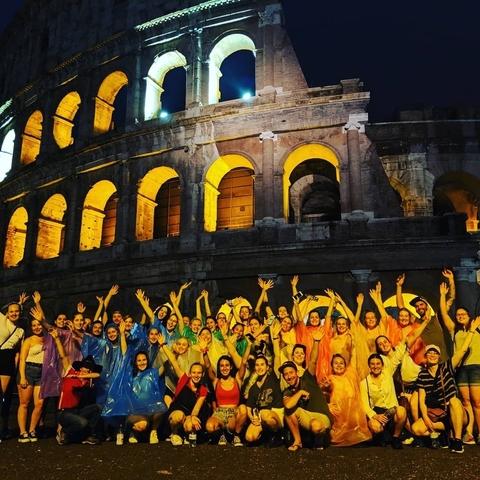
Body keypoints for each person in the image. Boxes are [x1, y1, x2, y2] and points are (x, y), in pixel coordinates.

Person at [411, 315, 480, 454]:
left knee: (454, 401)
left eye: (435, 353)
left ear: (439, 356)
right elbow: (421, 399)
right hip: (436, 414)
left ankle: (457, 441)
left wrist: (472, 330)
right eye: (429, 352)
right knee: (416, 429)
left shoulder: (447, 366)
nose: (432, 354)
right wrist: (424, 417)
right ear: (426, 356)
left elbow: (462, 351)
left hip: (454, 411)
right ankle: (443, 433)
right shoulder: (422, 375)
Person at [439, 281, 480, 445]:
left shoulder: (477, 327)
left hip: (477, 366)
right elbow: (443, 314)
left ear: (469, 316)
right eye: (458, 315)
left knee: (477, 402)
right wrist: (442, 296)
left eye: (463, 314)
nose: (460, 316)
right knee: (466, 402)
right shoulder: (454, 329)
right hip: (461, 368)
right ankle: (468, 432)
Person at [281, 327, 333, 451]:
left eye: (291, 372)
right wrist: (300, 392)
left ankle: (320, 438)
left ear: (297, 372)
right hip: (306, 417)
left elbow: (313, 361)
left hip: (321, 417)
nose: (289, 376)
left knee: (316, 426)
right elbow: (288, 406)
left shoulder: (307, 378)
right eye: (286, 374)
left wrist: (316, 342)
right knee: (289, 411)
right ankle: (298, 441)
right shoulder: (288, 390)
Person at [49, 329, 103, 445]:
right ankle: (64, 432)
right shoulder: (70, 372)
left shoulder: (88, 381)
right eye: (85, 367)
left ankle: (90, 435)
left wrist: (83, 377)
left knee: (98, 407)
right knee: (82, 422)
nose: (86, 370)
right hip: (64, 412)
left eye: (89, 368)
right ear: (80, 367)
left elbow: (97, 374)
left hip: (77, 410)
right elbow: (63, 356)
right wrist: (57, 338)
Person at [204, 330, 251, 446]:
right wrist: (204, 352)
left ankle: (236, 435)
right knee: (210, 427)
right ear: (219, 368)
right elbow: (208, 366)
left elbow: (243, 363)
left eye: (226, 365)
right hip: (219, 413)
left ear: (230, 367)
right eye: (221, 366)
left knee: (243, 409)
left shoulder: (237, 379)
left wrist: (249, 345)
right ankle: (222, 434)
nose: (224, 368)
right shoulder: (216, 381)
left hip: (234, 414)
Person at [160, 335, 209, 446]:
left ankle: (186, 434)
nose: (196, 375)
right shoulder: (184, 379)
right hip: (177, 411)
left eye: (199, 373)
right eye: (194, 373)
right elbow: (173, 361)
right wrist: (163, 345)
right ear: (190, 373)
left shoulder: (203, 390)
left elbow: (196, 409)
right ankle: (175, 434)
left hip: (190, 413)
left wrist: (192, 418)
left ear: (202, 375)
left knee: (192, 424)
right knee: (178, 417)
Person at [360, 354, 407, 450]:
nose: (375, 366)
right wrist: (375, 416)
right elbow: (364, 404)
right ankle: (381, 436)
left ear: (382, 365)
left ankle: (396, 438)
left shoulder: (388, 375)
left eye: (378, 363)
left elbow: (397, 357)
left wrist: (404, 341)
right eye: (372, 364)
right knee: (375, 427)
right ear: (369, 365)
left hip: (392, 411)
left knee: (401, 410)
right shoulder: (364, 383)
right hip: (377, 412)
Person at [124, 351, 167, 445]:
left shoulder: (153, 373)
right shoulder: (130, 375)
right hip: (134, 411)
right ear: (135, 362)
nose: (142, 362)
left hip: (149, 410)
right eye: (139, 360)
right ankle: (132, 430)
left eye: (144, 360)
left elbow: (165, 365)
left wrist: (173, 351)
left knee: (162, 407)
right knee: (142, 425)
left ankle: (153, 431)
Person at [16, 312, 46, 443]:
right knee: (24, 403)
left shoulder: (48, 338)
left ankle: (32, 429)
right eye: (34, 325)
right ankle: (23, 432)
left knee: (39, 404)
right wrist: (23, 376)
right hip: (28, 371)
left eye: (38, 324)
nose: (37, 327)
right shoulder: (28, 340)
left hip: (42, 373)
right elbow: (22, 359)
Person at [245, 355, 284, 447]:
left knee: (265, 414)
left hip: (275, 414)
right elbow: (248, 407)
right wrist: (252, 419)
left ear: (267, 367)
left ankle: (277, 434)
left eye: (262, 365)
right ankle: (266, 434)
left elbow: (277, 358)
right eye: (257, 365)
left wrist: (275, 340)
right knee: (249, 437)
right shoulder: (253, 388)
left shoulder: (274, 378)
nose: (259, 367)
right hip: (261, 416)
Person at [0, 300, 25, 441]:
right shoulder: (2, 319)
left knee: (2, 394)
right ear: (7, 313)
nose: (14, 313)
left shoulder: (21, 330)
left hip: (7, 359)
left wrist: (15, 367)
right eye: (12, 311)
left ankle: (3, 429)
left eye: (17, 311)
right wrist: (18, 302)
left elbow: (17, 351)